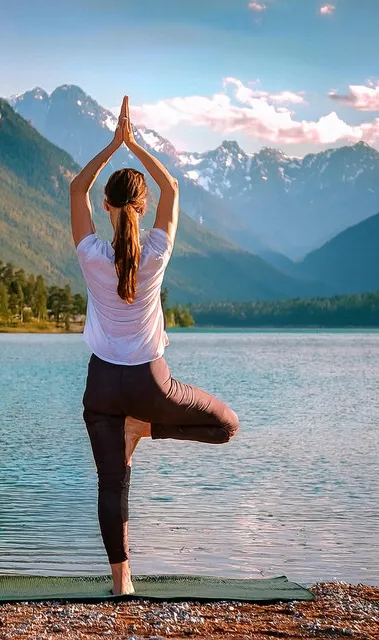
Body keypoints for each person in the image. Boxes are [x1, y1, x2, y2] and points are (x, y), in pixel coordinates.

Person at [69, 95, 240, 595]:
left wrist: (113, 145)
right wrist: (136, 144)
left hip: (101, 385)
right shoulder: (157, 254)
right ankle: (145, 428)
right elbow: (172, 186)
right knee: (226, 426)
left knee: (111, 484)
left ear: (107, 208)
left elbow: (76, 186)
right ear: (142, 211)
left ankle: (122, 582)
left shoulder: (91, 256)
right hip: (151, 383)